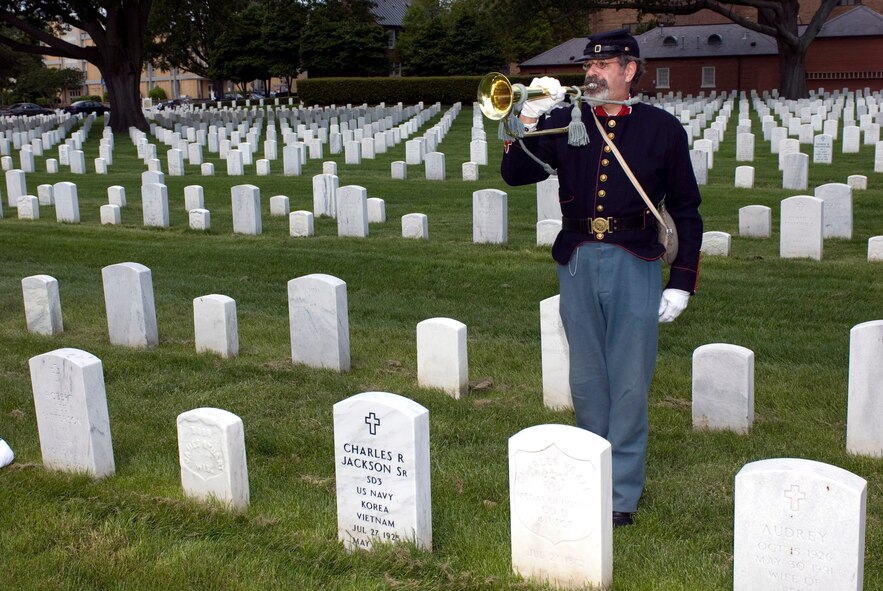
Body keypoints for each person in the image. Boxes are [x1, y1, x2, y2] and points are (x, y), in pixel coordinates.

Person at [500, 29, 703, 527]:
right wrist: (527, 115)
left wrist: (681, 280)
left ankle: (620, 495)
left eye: (604, 65)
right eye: (588, 65)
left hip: (634, 259)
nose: (591, 72)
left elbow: (686, 209)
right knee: (587, 378)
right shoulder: (565, 120)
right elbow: (515, 174)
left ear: (629, 70)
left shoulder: (661, 129)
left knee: (630, 379)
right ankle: (590, 474)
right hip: (576, 261)